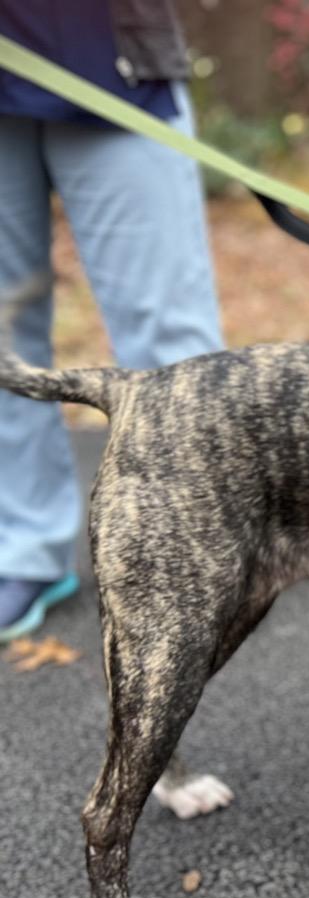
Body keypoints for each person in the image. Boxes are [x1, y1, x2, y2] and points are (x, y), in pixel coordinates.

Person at [0, 1, 223, 642]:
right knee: (5, 336)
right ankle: (24, 547)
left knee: (166, 338)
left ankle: (208, 541)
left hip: (111, 56)